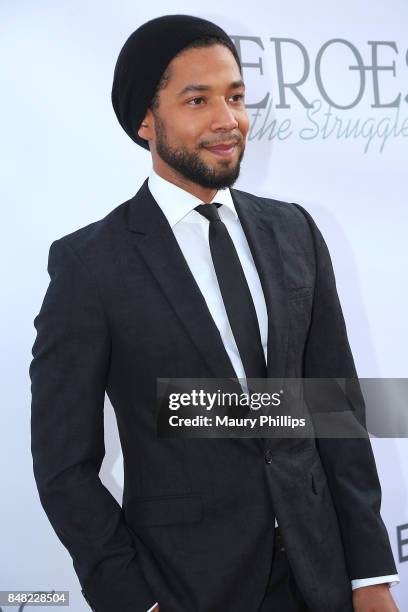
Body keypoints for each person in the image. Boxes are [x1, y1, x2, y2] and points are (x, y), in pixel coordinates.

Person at [30, 14, 400, 612]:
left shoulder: (294, 230)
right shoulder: (91, 265)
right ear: (146, 120)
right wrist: (132, 598)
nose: (227, 120)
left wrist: (370, 575)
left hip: (319, 574)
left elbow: (335, 409)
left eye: (235, 97)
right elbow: (62, 465)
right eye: (197, 100)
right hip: (186, 587)